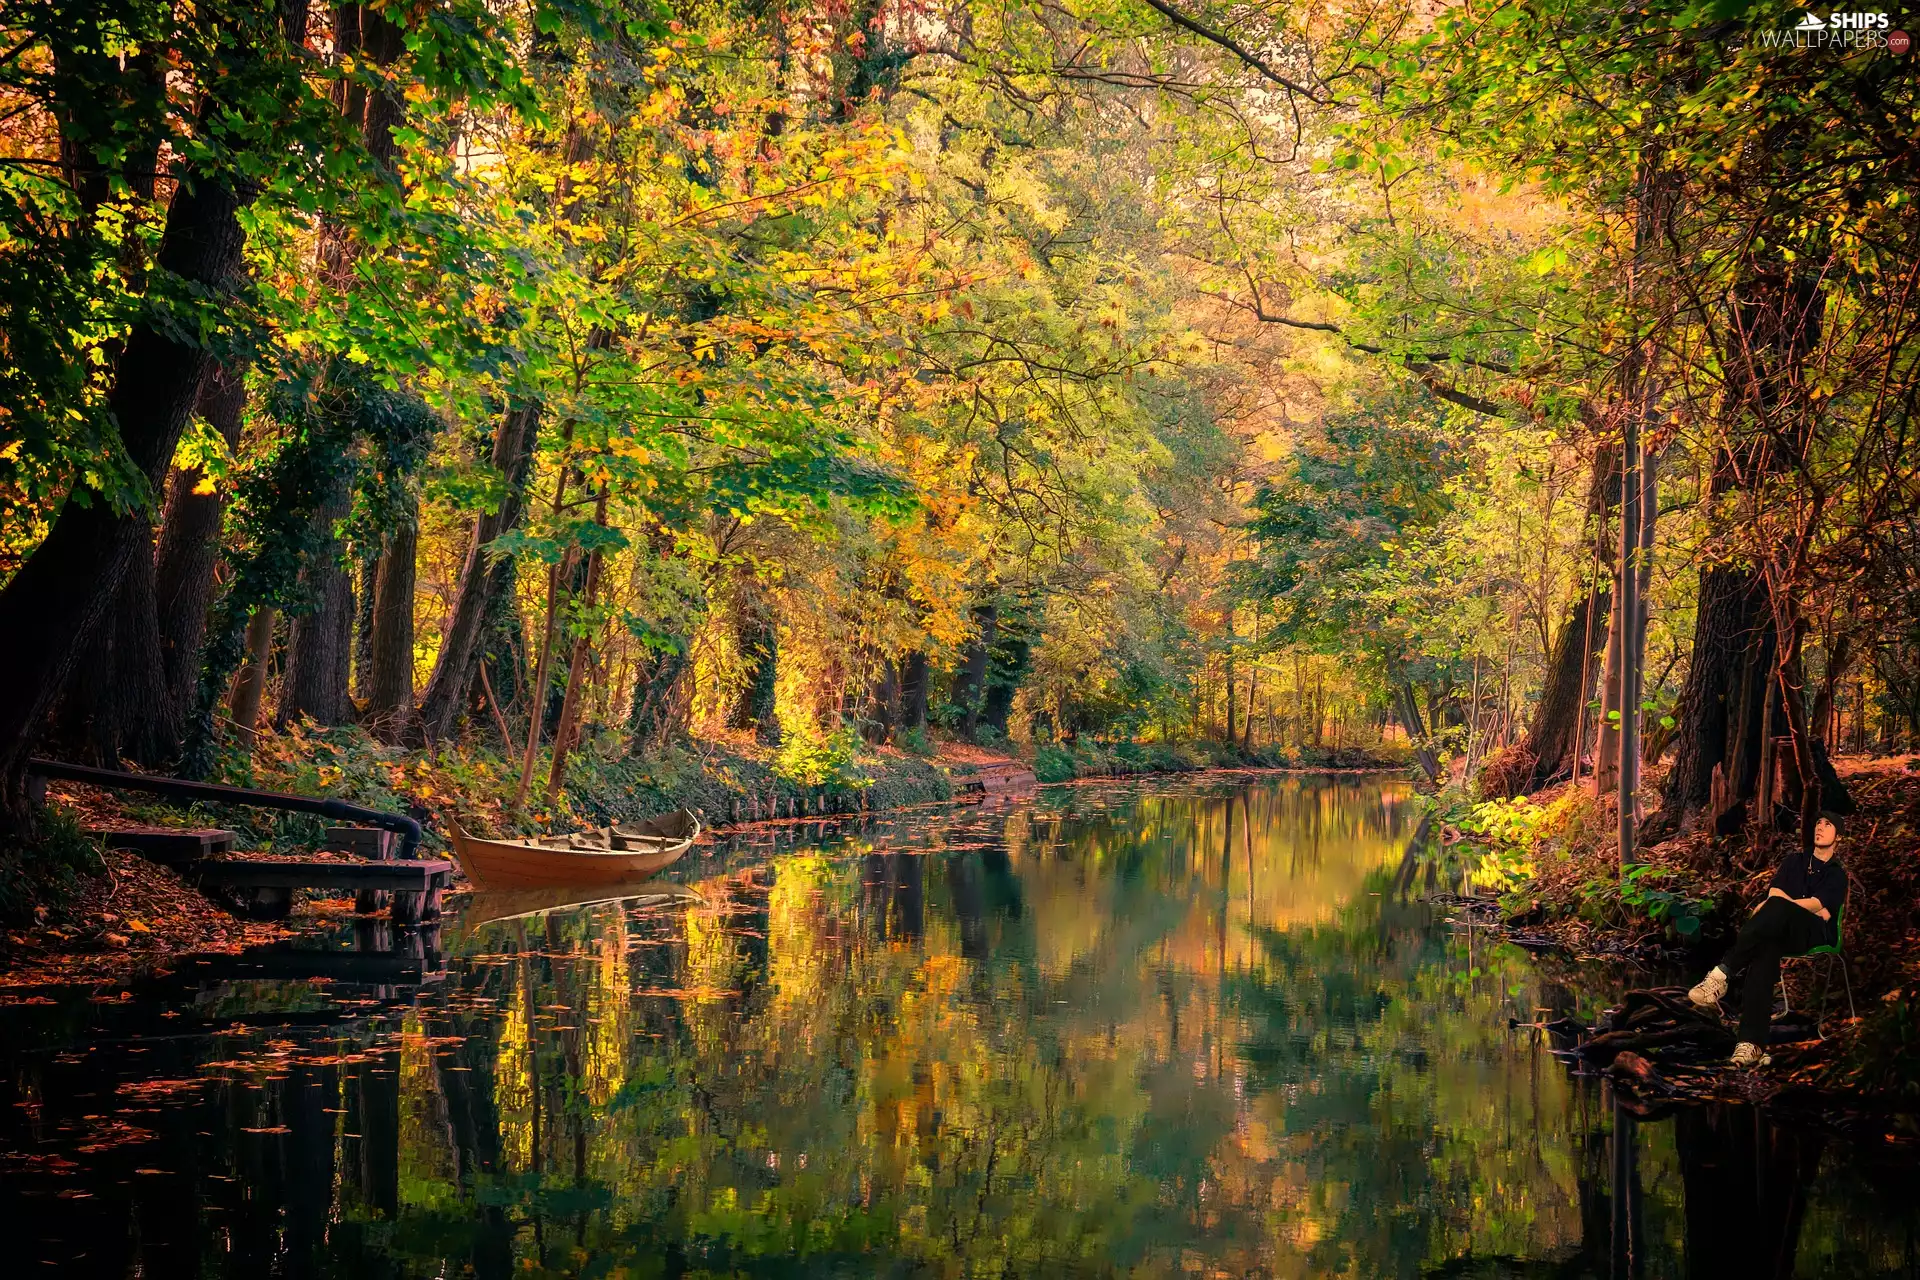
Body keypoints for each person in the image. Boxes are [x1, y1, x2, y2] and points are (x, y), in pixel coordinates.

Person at [1688, 816, 1847, 1068]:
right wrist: (1787, 906)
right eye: (1818, 823)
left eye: (1828, 825)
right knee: (1766, 949)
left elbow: (1819, 906)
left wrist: (1785, 906)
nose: (1820, 827)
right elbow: (1776, 893)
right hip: (1781, 931)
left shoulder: (1837, 874)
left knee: (1775, 908)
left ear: (1838, 837)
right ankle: (1750, 1045)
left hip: (1814, 933)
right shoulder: (1794, 861)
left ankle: (1722, 974)